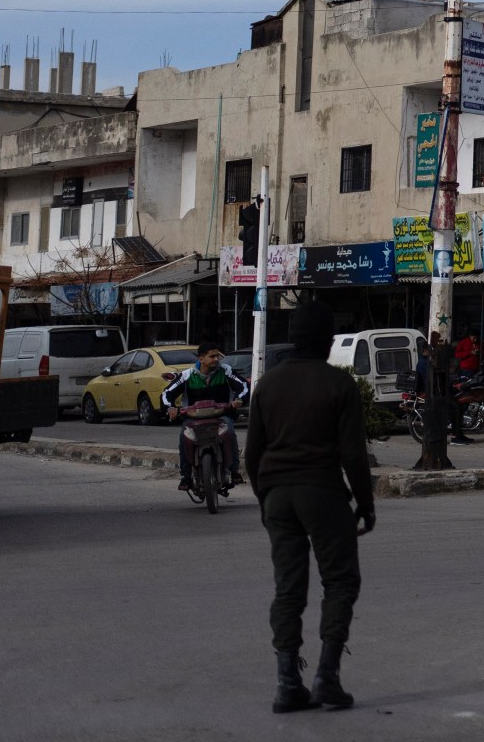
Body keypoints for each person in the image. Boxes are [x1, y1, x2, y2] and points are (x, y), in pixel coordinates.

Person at [244, 299, 374, 714]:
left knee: (288, 588)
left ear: (294, 339)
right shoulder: (339, 385)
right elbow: (353, 455)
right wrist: (366, 504)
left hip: (278, 496)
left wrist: (265, 498)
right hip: (322, 492)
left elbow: (252, 453)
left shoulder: (269, 383)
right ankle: (326, 679)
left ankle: (287, 684)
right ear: (328, 340)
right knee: (339, 582)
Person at [163, 342, 249, 487]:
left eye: (217, 356)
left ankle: (234, 472)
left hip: (221, 416)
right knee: (184, 437)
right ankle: (186, 476)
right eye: (212, 356)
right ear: (201, 359)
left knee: (230, 432)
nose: (216, 359)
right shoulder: (186, 375)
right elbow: (166, 394)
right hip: (192, 418)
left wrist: (238, 400)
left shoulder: (226, 371)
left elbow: (244, 386)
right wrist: (170, 408)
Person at [415, 333, 474, 444]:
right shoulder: (425, 363)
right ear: (427, 350)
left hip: (438, 388)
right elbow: (434, 378)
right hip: (435, 391)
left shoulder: (424, 362)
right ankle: (455, 436)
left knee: (458, 401)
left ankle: (459, 433)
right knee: (455, 407)